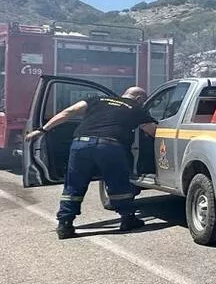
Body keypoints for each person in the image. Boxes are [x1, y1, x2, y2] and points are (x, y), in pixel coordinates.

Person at [25, 87, 159, 239]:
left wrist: (42, 130)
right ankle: (127, 218)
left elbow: (68, 112)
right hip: (110, 146)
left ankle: (64, 224)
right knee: (118, 184)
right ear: (139, 99)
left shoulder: (97, 99)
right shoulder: (135, 108)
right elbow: (153, 131)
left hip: (80, 144)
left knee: (73, 185)